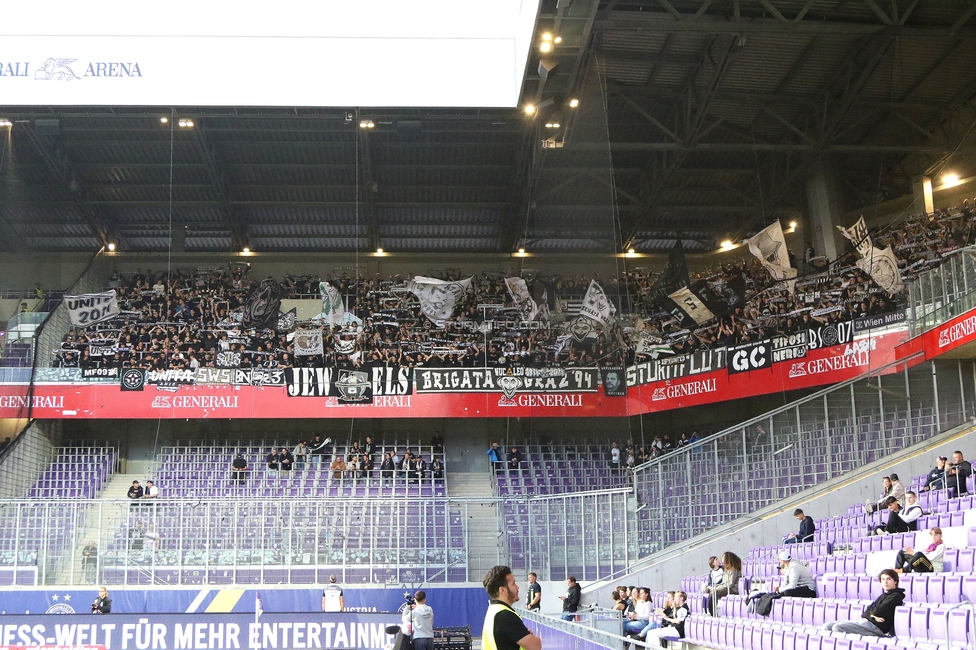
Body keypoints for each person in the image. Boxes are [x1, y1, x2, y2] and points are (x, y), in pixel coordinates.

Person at [822, 570, 904, 636]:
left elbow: (877, 611)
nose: (885, 582)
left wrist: (872, 614)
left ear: (895, 581)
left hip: (876, 628)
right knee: (827, 626)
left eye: (888, 579)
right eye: (883, 579)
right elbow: (867, 611)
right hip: (866, 622)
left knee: (838, 627)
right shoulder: (884, 595)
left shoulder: (895, 596)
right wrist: (872, 615)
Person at [481, 566, 542, 650]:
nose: (517, 587)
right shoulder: (504, 616)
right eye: (513, 583)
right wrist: (531, 637)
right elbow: (535, 645)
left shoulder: (493, 610)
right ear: (503, 591)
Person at [704, 551, 740, 616]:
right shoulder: (726, 569)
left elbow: (730, 584)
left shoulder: (733, 569)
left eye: (724, 556)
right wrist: (716, 587)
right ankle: (709, 611)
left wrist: (717, 588)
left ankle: (713, 613)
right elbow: (723, 583)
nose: (722, 558)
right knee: (711, 591)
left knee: (715, 592)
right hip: (726, 588)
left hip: (732, 589)